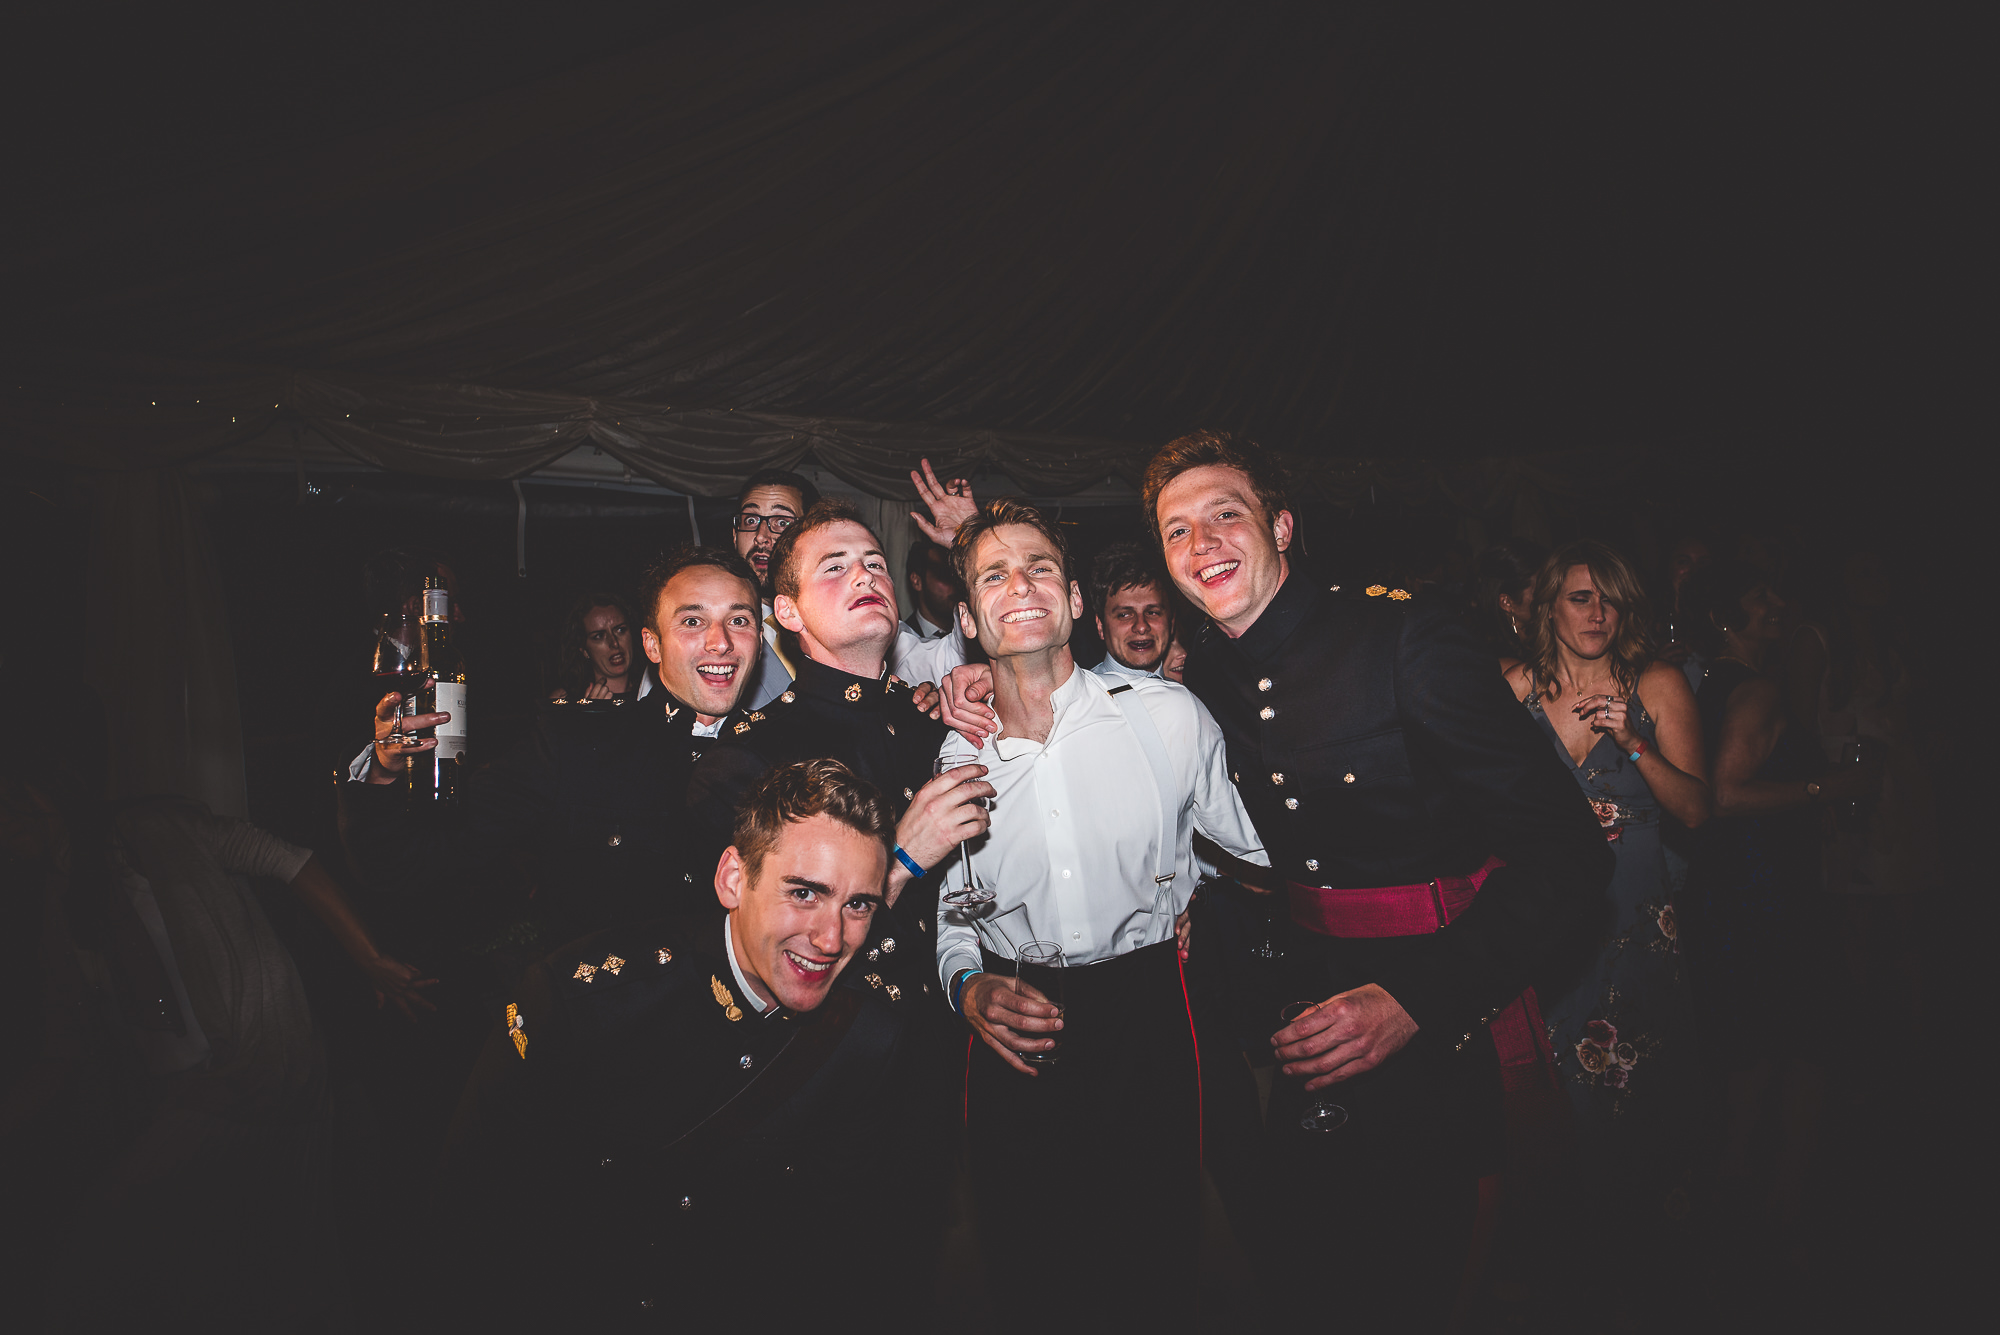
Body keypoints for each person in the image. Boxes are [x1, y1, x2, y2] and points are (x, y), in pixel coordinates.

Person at [944, 431, 1609, 1328]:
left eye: (1226, 514)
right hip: (1299, 1011)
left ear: (1283, 525)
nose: (1203, 541)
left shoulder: (1404, 635)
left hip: (1438, 1008)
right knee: (1310, 1272)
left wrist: (1418, 997)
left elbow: (1569, 855)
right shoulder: (1203, 674)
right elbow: (1236, 833)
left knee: (1434, 1273)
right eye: (1178, 530)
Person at [442, 759, 931, 1327]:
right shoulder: (583, 1001)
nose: (831, 938)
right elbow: (473, 1216)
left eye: (858, 905)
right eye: (804, 893)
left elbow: (839, 1247)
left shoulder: (868, 1033)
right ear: (733, 879)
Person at [934, 501, 1267, 1331]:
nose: (1021, 584)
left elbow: (1268, 853)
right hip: (1014, 1021)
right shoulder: (950, 754)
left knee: (1154, 1258)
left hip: (1150, 1013)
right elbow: (946, 918)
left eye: (1041, 566)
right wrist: (967, 988)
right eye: (995, 575)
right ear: (971, 620)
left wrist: (1197, 884)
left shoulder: (1166, 718)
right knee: (1027, 1266)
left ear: (1075, 599)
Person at [45, 794, 432, 1333]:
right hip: (174, 1087)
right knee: (246, 1268)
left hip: (247, 1076)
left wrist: (369, 958)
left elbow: (287, 858)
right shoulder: (56, 887)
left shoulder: (149, 829)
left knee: (102, 1240)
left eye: (14, 801)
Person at [346, 547, 761, 946]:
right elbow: (404, 863)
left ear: (759, 638)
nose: (720, 642)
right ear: (652, 644)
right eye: (692, 621)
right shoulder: (574, 742)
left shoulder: (785, 748)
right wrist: (383, 772)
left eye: (739, 620)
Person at [1500, 540, 1710, 1278]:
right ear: (1549, 604)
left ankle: (1634, 1265)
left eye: (1611, 598)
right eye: (1581, 597)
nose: (1597, 612)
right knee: (1541, 1093)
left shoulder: (1655, 683)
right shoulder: (1512, 686)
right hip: (1540, 916)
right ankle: (1552, 1265)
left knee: (1634, 1096)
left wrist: (1636, 741)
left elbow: (1696, 807)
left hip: (1631, 919)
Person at [1678, 561, 1873, 1272]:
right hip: (1765, 888)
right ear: (1725, 618)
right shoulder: (1755, 690)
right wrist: (1831, 784)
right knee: (1806, 1039)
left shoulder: (1704, 687)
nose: (1777, 606)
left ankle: (1736, 1191)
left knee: (1757, 1040)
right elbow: (1725, 795)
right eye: (1758, 599)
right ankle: (1778, 1205)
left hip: (1734, 887)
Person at [731, 467, 821, 708]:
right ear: (734, 535)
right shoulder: (701, 633)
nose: (761, 536)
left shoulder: (848, 618)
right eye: (750, 520)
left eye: (781, 522)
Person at [1085, 539, 1175, 679]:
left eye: (1152, 612)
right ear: (1100, 626)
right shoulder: (1084, 697)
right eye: (1124, 615)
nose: (1141, 627)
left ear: (1172, 623)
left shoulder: (1194, 694)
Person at [547, 591, 640, 702]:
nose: (614, 643)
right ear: (584, 650)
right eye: (599, 636)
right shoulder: (563, 700)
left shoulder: (653, 695)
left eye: (620, 630)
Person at [1469, 538, 1546, 662]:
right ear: (1507, 603)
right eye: (1540, 590)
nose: (1548, 596)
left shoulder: (1542, 640)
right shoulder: (1499, 661)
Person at [903, 537, 962, 642]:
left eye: (956, 576)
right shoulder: (901, 642)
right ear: (917, 581)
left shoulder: (970, 635)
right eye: (944, 575)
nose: (954, 584)